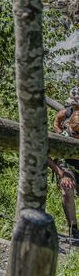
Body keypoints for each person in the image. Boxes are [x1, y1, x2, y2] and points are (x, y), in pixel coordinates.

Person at [48, 87, 79, 241]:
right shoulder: (65, 116)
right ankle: (74, 230)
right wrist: (61, 173)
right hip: (67, 162)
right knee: (67, 190)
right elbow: (45, 153)